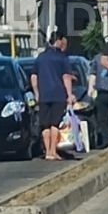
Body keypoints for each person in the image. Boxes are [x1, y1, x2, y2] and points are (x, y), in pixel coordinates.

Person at [31, 31, 76, 160]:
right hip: (58, 94)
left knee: (45, 124)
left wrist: (37, 93)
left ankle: (47, 153)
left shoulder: (40, 57)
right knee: (55, 124)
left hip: (44, 95)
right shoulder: (62, 58)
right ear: (59, 41)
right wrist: (69, 94)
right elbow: (66, 77)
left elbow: (34, 77)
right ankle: (52, 150)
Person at [88, 37, 108, 149]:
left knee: (107, 117)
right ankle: (107, 138)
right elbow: (93, 75)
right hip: (104, 91)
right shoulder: (98, 59)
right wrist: (90, 89)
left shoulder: (100, 58)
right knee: (104, 117)